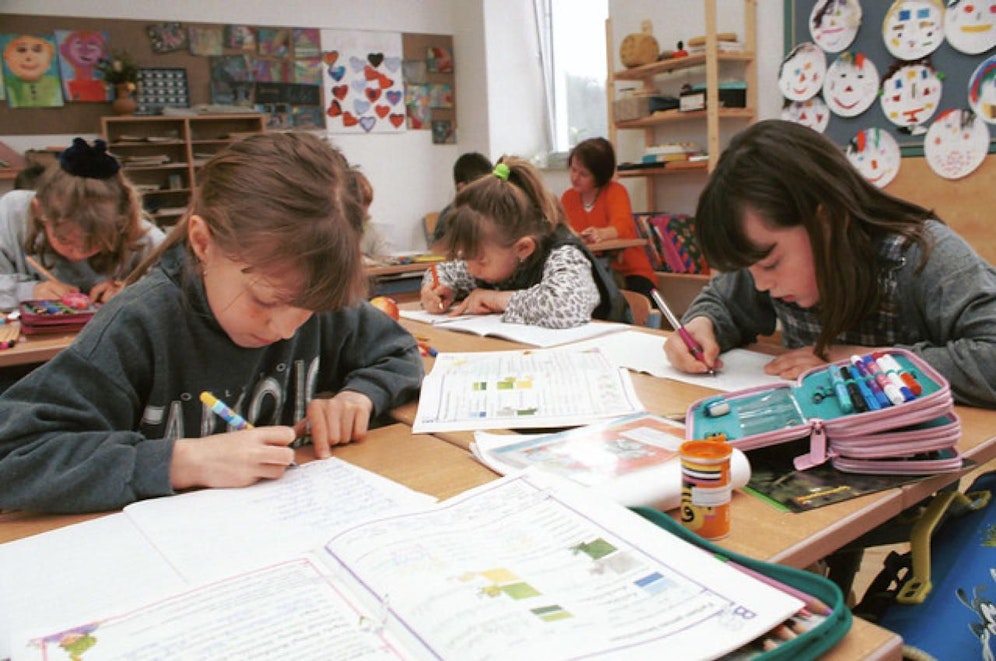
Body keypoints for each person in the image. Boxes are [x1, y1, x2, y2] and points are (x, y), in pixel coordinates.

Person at [0, 132, 424, 514]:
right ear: (203, 243)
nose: (287, 329)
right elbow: (15, 456)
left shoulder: (306, 295)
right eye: (264, 300)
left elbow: (398, 351)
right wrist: (183, 460)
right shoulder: (140, 325)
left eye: (309, 309)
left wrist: (358, 397)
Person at [665, 119, 996, 408]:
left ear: (828, 221)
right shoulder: (767, 268)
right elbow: (722, 300)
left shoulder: (925, 256)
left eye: (770, 264)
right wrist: (702, 324)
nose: (761, 284)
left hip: (920, 460)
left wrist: (858, 364)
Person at [420, 156, 630, 328]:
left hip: (604, 362)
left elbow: (564, 306)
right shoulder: (487, 255)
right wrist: (433, 288)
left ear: (523, 248)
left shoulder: (562, 252)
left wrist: (494, 298)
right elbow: (443, 271)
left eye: (481, 261)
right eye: (466, 258)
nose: (471, 270)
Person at [0, 138, 165, 308]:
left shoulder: (139, 232)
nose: (78, 254)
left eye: (95, 242)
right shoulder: (12, 213)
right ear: (39, 211)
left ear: (121, 222)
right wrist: (29, 291)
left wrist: (135, 292)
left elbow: (180, 286)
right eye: (64, 239)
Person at [561, 137, 657, 299]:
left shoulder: (616, 192)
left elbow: (623, 226)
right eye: (573, 169)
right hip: (591, 271)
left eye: (583, 174)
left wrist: (602, 233)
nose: (575, 177)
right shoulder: (568, 198)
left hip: (628, 270)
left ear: (600, 176)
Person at [430, 151, 492, 250]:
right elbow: (436, 251)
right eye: (480, 187)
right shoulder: (449, 214)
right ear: (461, 187)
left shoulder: (497, 209)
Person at [347, 165, 393, 262]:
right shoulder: (331, 233)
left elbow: (386, 262)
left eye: (367, 203)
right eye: (360, 203)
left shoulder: (374, 232)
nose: (365, 211)